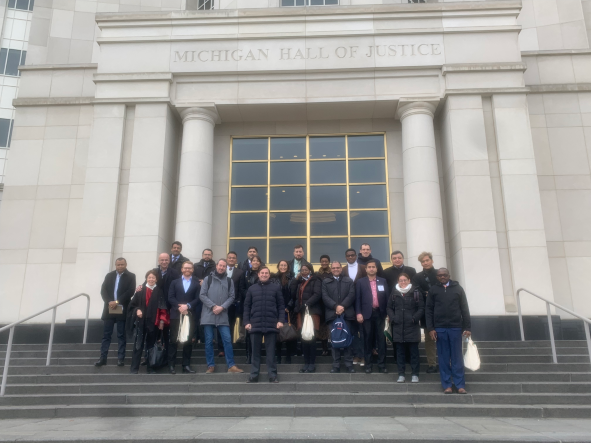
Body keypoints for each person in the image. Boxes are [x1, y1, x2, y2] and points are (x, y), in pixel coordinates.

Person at [426, 268, 472, 395]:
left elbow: (464, 308)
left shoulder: (458, 289)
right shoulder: (433, 290)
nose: (442, 277)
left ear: (449, 275)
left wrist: (467, 327)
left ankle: (460, 385)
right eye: (439, 275)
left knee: (457, 357)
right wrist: (431, 328)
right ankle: (447, 385)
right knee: (443, 358)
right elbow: (428, 310)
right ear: (437, 277)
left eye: (444, 275)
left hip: (455, 327)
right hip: (440, 329)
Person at [199, 259, 244, 374]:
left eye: (224, 266)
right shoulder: (207, 279)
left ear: (226, 268)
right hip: (209, 315)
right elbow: (202, 295)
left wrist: (222, 307)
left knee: (227, 340)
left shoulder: (229, 281)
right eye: (220, 265)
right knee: (209, 341)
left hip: (222, 315)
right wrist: (213, 306)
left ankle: (231, 366)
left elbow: (231, 297)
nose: (221, 268)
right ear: (216, 266)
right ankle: (210, 366)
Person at [243, 266, 285, 383]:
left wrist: (281, 320)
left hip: (271, 324)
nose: (264, 275)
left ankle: (272, 375)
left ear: (269, 275)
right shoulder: (251, 289)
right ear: (258, 274)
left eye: (266, 273)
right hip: (255, 325)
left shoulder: (276, 288)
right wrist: (246, 322)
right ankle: (254, 375)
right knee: (255, 353)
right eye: (262, 273)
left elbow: (281, 306)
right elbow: (246, 307)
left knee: (271, 353)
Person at [95, 258, 136, 367]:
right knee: (106, 335)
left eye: (122, 264)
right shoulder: (109, 275)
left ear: (126, 264)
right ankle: (103, 358)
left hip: (122, 308)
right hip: (109, 308)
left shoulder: (131, 276)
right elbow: (103, 290)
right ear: (115, 265)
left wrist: (117, 301)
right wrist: (109, 302)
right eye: (118, 264)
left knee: (121, 334)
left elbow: (130, 291)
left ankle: (120, 359)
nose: (120, 266)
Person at [128, 270, 170, 374]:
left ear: (156, 279)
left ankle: (150, 368)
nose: (151, 279)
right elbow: (132, 305)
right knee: (138, 346)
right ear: (146, 278)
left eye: (153, 278)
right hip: (141, 323)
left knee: (151, 346)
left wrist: (161, 321)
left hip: (154, 323)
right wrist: (137, 310)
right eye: (149, 277)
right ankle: (134, 369)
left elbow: (163, 308)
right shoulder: (140, 290)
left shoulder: (159, 291)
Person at [386, 273, 424, 383]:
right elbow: (389, 307)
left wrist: (414, 318)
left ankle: (415, 374)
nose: (403, 282)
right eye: (400, 280)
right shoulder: (394, 292)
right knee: (400, 353)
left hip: (412, 326)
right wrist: (393, 318)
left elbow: (421, 308)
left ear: (409, 280)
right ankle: (401, 374)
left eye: (405, 280)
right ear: (398, 281)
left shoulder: (416, 292)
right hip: (398, 327)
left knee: (414, 353)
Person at [322, 261, 356, 374]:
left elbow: (352, 294)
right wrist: (335, 306)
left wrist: (342, 306)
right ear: (331, 269)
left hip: (347, 315)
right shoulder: (326, 282)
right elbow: (324, 296)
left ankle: (349, 364)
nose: (336, 269)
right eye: (334, 268)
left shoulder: (349, 280)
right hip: (332, 315)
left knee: (348, 341)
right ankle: (336, 365)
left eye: (338, 267)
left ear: (341, 269)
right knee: (334, 341)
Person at [355, 260, 389, 374]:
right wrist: (358, 313)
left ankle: (382, 365)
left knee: (381, 340)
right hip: (366, 315)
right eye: (369, 267)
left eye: (373, 267)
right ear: (366, 269)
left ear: (376, 268)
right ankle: (368, 365)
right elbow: (358, 299)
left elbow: (387, 298)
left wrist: (388, 313)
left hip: (380, 314)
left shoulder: (383, 281)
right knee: (367, 339)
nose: (371, 269)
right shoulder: (360, 282)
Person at [168, 261, 200, 374]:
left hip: (189, 315)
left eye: (190, 268)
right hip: (176, 315)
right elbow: (170, 297)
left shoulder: (196, 283)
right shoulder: (174, 282)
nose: (187, 269)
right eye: (185, 268)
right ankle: (171, 365)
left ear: (192, 270)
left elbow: (197, 298)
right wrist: (179, 307)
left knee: (188, 341)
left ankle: (186, 365)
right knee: (173, 340)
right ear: (181, 269)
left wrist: (188, 306)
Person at [290, 263, 322, 373]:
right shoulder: (300, 282)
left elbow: (317, 294)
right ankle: (306, 363)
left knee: (311, 338)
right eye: (302, 270)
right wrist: (296, 279)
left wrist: (306, 304)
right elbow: (293, 294)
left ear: (310, 270)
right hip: (302, 313)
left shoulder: (315, 280)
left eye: (306, 269)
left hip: (312, 312)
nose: (304, 271)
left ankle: (312, 364)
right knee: (303, 338)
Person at [413, 251, 439, 374]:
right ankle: (432, 364)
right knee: (429, 340)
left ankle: (447, 363)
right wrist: (425, 294)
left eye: (427, 260)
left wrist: (431, 293)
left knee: (444, 339)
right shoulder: (417, 277)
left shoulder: (440, 273)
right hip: (426, 313)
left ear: (432, 261)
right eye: (423, 261)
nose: (425, 263)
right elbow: (416, 290)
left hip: (442, 311)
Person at [342, 248, 366, 366]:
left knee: (364, 331)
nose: (350, 257)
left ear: (356, 256)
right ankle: (356, 355)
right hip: (349, 306)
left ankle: (364, 356)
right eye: (348, 256)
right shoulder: (343, 270)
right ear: (346, 257)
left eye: (352, 255)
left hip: (362, 304)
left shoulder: (363, 268)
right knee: (353, 332)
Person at [273, 260, 295, 364]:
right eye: (281, 265)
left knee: (288, 332)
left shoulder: (292, 278)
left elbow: (294, 295)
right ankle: (278, 356)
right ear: (278, 266)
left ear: (288, 267)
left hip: (288, 309)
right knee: (278, 332)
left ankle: (288, 356)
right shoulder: (274, 279)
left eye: (285, 265)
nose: (283, 267)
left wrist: (289, 306)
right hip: (277, 309)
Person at [243, 255, 263, 363]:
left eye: (257, 260)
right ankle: (249, 355)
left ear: (260, 263)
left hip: (260, 306)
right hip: (249, 304)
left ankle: (257, 355)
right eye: (253, 260)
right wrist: (250, 294)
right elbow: (241, 288)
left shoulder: (262, 273)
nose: (255, 262)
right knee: (249, 333)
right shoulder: (246, 273)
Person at [225, 251, 246, 347]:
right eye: (229, 257)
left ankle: (231, 344)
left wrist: (238, 301)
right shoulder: (221, 270)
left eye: (233, 258)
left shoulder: (240, 272)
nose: (231, 259)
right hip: (221, 303)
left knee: (232, 323)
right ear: (227, 259)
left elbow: (241, 288)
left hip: (233, 303)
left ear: (236, 260)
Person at [315, 254, 332, 357]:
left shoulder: (332, 273)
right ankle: (324, 349)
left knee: (330, 326)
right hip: (321, 304)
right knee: (322, 328)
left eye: (326, 261)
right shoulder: (317, 275)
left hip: (330, 304)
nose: (324, 263)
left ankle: (332, 347)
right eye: (322, 261)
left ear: (329, 262)